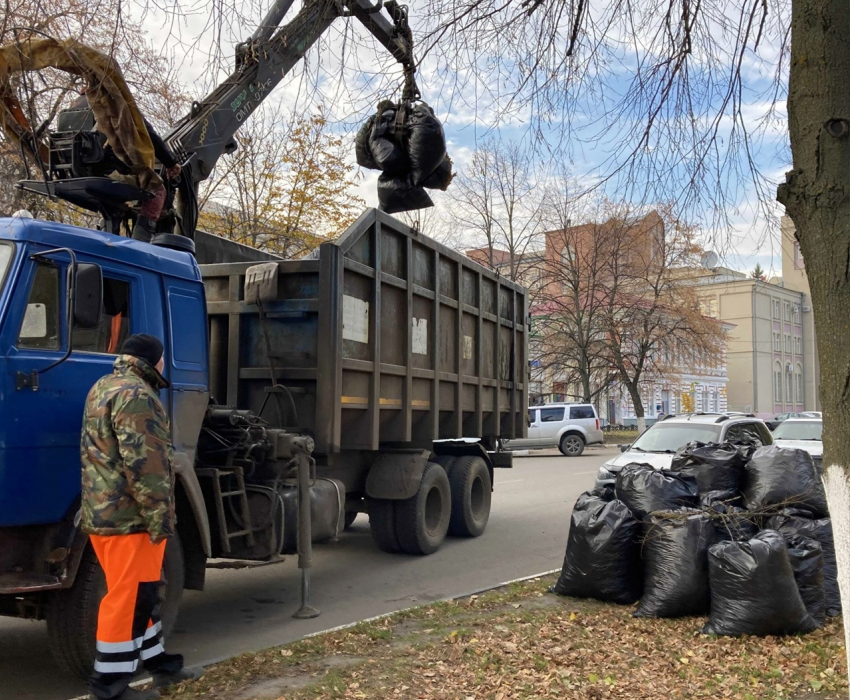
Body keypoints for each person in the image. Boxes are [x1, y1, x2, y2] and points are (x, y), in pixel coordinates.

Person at [81, 334, 202, 700]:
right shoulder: (138, 395)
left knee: (141, 593)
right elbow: (147, 465)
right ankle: (109, 688)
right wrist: (159, 517)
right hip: (130, 518)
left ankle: (160, 665)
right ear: (156, 361)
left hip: (106, 512)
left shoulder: (103, 386)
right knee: (128, 597)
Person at [69, 91, 182, 242]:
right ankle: (141, 241)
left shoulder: (77, 103)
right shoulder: (116, 103)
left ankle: (108, 229)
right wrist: (171, 163)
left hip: (75, 171)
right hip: (107, 172)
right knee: (157, 189)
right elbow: (147, 132)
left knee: (115, 204)